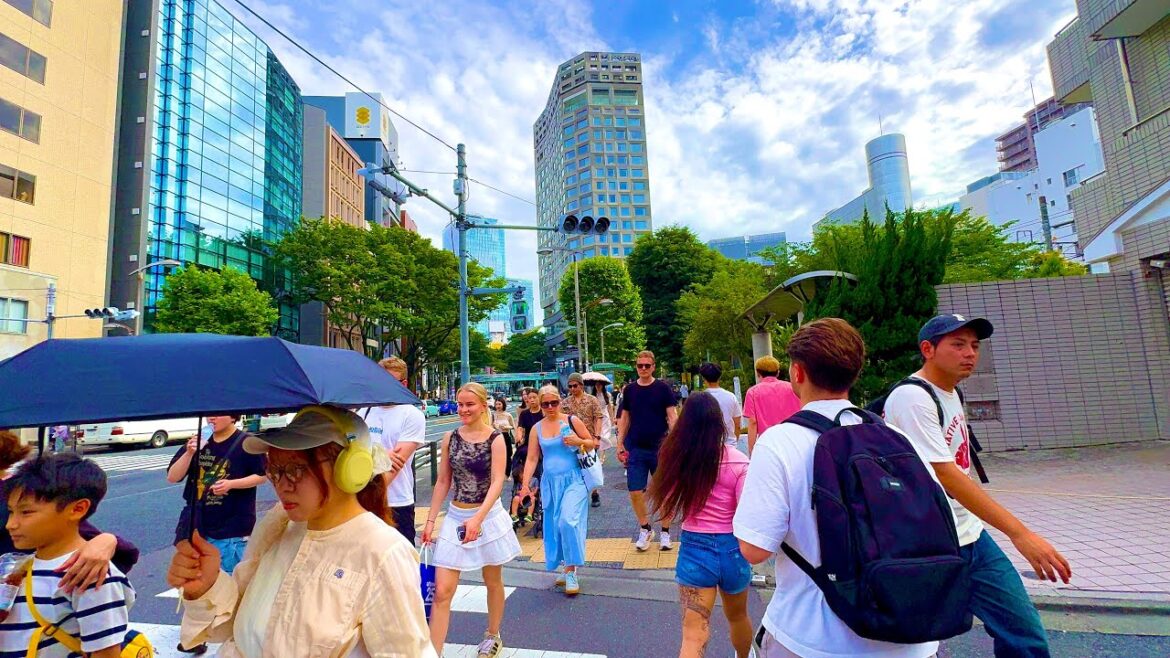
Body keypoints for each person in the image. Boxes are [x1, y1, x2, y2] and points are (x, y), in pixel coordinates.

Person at [734, 318, 941, 657]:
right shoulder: (896, 438)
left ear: (797, 373)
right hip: (911, 636)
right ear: (854, 373)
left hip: (813, 638)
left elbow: (754, 550)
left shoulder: (780, 442)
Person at [167, 406, 435, 657]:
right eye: (274, 470)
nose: (281, 485)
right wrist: (206, 587)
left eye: (295, 470)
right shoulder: (280, 525)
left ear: (347, 468)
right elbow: (237, 623)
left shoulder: (383, 553)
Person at [883, 314, 1072, 657]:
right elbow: (946, 474)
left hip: (970, 535)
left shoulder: (951, 392)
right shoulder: (912, 397)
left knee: (1023, 635)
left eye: (974, 345)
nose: (970, 353)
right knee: (905, 640)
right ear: (928, 349)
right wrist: (1020, 533)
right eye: (957, 344)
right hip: (929, 544)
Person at [1, 453, 136, 658]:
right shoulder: (19, 566)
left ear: (77, 509)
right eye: (10, 512)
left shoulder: (88, 574)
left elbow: (105, 654)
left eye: (26, 512)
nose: (11, 524)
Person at [649, 392, 753, 658]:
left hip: (695, 548)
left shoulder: (678, 459)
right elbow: (746, 511)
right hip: (733, 547)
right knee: (738, 616)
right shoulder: (739, 461)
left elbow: (666, 504)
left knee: (693, 633)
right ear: (719, 423)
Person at [421, 383, 520, 658]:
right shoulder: (450, 437)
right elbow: (443, 481)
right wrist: (430, 522)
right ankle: (433, 652)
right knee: (442, 590)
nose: (463, 410)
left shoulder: (496, 438)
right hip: (456, 517)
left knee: (492, 579)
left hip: (487, 517)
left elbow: (498, 482)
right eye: (460, 404)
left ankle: (492, 634)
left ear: (482, 405)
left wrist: (478, 518)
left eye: (469, 404)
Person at [0, 431, 137, 586]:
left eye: (24, 513)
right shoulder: (18, 491)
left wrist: (105, 541)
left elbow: (73, 526)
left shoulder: (22, 493)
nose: (11, 523)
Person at [519, 385, 595, 596]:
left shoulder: (571, 421)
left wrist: (577, 441)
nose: (551, 407)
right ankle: (566, 566)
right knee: (554, 525)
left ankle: (572, 571)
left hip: (574, 480)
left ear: (560, 401)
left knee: (568, 521)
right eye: (546, 404)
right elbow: (532, 458)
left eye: (554, 402)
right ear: (540, 404)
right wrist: (525, 485)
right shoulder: (537, 428)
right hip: (550, 482)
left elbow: (591, 444)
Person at [167, 415, 266, 574]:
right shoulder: (198, 441)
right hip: (197, 527)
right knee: (202, 586)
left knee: (228, 584)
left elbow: (262, 475)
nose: (212, 418)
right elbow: (172, 477)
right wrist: (189, 453)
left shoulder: (247, 442)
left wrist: (231, 484)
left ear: (233, 416)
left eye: (219, 413)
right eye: (209, 414)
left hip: (231, 529)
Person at [616, 350, 679, 551]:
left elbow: (672, 416)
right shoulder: (630, 390)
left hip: (661, 448)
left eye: (646, 365)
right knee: (635, 491)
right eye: (639, 365)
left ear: (653, 366)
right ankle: (645, 528)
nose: (643, 369)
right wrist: (619, 443)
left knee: (665, 492)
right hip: (636, 448)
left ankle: (666, 532)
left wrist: (676, 440)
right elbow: (624, 418)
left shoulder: (663, 389)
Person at [361, 356, 427, 546]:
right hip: (362, 503)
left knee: (401, 565)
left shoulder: (412, 415)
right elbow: (348, 453)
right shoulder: (363, 411)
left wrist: (366, 459)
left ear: (403, 384)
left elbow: (394, 465)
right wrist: (379, 456)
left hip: (397, 503)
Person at [743, 355, 802, 455]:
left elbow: (753, 422)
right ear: (778, 372)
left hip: (768, 444)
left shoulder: (752, 392)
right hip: (793, 440)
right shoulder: (792, 388)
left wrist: (752, 450)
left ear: (758, 373)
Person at [562, 372, 605, 507]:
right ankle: (578, 493)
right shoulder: (566, 402)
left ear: (581, 385)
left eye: (575, 386)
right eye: (570, 386)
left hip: (589, 439)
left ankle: (595, 493)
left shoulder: (592, 400)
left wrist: (597, 437)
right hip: (572, 440)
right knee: (575, 467)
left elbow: (598, 418)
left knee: (590, 466)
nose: (572, 389)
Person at [510, 388, 543, 526]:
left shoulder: (543, 412)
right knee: (520, 454)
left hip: (542, 442)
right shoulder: (524, 414)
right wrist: (518, 437)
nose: (532, 400)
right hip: (528, 443)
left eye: (535, 397)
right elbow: (520, 428)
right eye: (530, 398)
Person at [698, 362, 743, 450]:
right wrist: (734, 440)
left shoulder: (699, 398)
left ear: (704, 378)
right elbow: (738, 424)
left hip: (707, 446)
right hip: (729, 445)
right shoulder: (731, 397)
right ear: (720, 377)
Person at [492, 397, 517, 468]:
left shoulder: (508, 415)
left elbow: (513, 427)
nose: (498, 406)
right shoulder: (493, 415)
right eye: (496, 404)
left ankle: (507, 472)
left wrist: (506, 427)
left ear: (503, 404)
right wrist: (494, 426)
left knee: (508, 454)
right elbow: (490, 427)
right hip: (496, 436)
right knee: (497, 455)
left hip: (506, 436)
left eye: (499, 404)